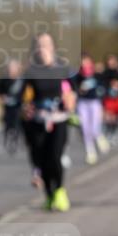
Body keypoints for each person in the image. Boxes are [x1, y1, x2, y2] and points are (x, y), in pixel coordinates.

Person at [21, 33, 76, 211]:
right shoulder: (30, 71)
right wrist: (25, 107)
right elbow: (23, 96)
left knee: (55, 156)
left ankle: (59, 191)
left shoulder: (62, 68)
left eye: (45, 43)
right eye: (38, 44)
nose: (42, 47)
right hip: (37, 120)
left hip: (58, 118)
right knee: (41, 160)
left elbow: (72, 91)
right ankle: (49, 195)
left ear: (52, 46)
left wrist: (70, 100)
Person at [73, 54, 108, 164]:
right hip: (83, 103)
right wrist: (79, 90)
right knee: (85, 128)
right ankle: (90, 152)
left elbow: (103, 87)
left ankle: (98, 135)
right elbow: (73, 88)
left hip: (94, 102)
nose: (84, 64)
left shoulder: (96, 75)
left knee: (94, 126)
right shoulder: (78, 76)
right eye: (82, 62)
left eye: (86, 61)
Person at [0, 58, 24, 155]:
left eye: (13, 67)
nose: (11, 70)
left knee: (16, 124)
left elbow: (26, 93)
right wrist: (1, 97)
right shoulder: (4, 80)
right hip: (7, 107)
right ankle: (6, 141)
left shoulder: (22, 80)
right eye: (9, 68)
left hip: (18, 106)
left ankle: (15, 142)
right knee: (7, 124)